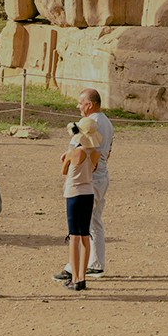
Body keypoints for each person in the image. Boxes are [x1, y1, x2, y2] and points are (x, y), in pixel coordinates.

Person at [55, 88, 113, 284]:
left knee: (81, 227)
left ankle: (74, 268)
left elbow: (73, 151)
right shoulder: (107, 122)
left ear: (89, 104)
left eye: (81, 103)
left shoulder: (89, 124)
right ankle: (96, 263)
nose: (78, 107)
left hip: (87, 179)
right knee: (95, 221)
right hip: (100, 175)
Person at [57, 115, 100, 292]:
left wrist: (66, 157)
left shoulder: (74, 152)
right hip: (88, 192)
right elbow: (94, 168)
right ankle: (82, 277)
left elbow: (64, 170)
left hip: (74, 193)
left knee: (73, 236)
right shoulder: (96, 152)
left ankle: (74, 277)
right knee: (85, 236)